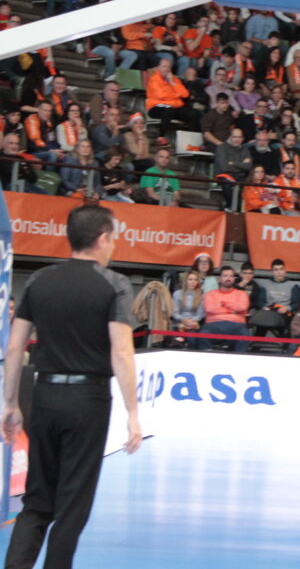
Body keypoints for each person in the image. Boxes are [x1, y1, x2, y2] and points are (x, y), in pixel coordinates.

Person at [3, 205, 143, 569]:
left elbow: (15, 346)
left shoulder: (38, 280)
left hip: (44, 396)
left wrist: (10, 403)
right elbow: (122, 352)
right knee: (71, 508)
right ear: (103, 239)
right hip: (89, 400)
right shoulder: (115, 284)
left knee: (37, 502)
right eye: (113, 237)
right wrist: (133, 413)